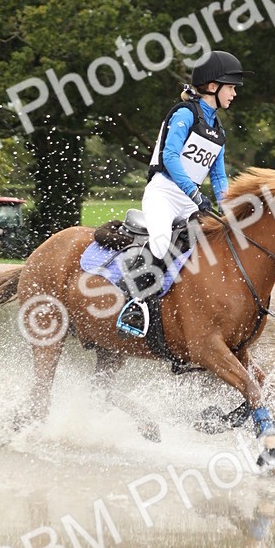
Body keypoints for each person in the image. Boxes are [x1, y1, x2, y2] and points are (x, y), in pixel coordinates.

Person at [116, 50, 251, 337]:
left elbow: (218, 175)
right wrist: (194, 193)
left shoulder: (217, 129)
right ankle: (134, 305)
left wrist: (230, 211)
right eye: (232, 87)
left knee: (210, 250)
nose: (235, 94)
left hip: (190, 202)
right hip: (164, 194)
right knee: (163, 243)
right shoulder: (183, 114)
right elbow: (170, 156)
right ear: (213, 87)